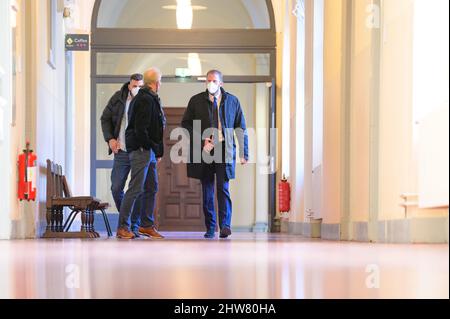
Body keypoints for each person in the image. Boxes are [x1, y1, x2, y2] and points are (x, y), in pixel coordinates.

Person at [181, 70, 249, 239]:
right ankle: (211, 227)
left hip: (224, 148)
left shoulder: (232, 101)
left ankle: (225, 225)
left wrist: (244, 152)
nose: (210, 83)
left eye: (214, 80)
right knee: (207, 189)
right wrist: (201, 139)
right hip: (205, 149)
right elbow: (186, 124)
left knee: (223, 188)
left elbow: (241, 127)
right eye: (208, 80)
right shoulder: (196, 101)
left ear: (221, 83)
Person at [116, 67, 166, 240]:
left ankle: (146, 225)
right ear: (155, 82)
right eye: (160, 81)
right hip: (141, 149)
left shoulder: (151, 98)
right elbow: (140, 129)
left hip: (149, 150)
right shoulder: (145, 99)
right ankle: (123, 227)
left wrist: (156, 149)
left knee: (152, 187)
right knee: (135, 188)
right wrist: (151, 145)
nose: (161, 84)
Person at [100, 73, 144, 237]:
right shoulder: (118, 98)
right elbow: (105, 118)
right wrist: (110, 139)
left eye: (140, 86)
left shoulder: (147, 99)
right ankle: (128, 218)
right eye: (134, 86)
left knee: (138, 189)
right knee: (116, 187)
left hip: (140, 151)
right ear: (129, 86)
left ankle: (133, 225)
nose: (137, 89)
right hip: (122, 151)